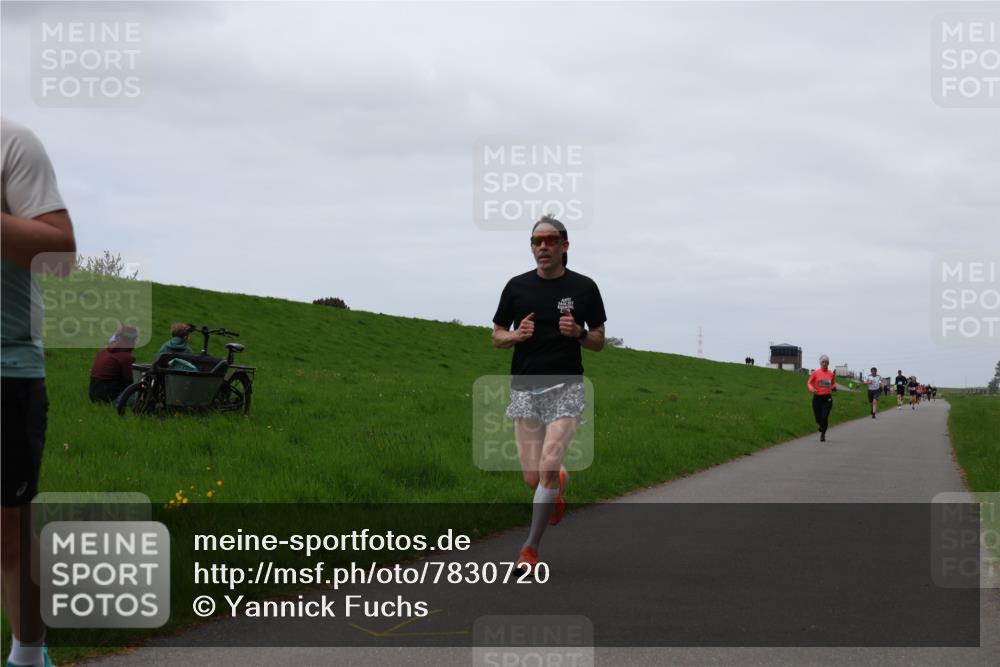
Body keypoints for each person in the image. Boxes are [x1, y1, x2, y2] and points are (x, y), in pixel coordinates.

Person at [492, 214, 606, 572]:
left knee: (548, 465)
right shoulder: (516, 287)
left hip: (566, 387)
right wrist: (516, 335)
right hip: (525, 387)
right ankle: (556, 484)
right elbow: (496, 335)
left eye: (551, 240)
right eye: (536, 241)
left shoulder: (584, 288)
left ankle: (530, 550)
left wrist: (579, 334)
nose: (543, 246)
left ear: (564, 246)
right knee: (533, 477)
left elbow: (599, 341)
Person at [2, 117, 75, 667]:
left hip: (6, 368)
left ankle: (28, 656)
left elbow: (60, 255)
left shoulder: (12, 142)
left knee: (8, 533)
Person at [88, 326, 139, 402]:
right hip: (111, 399)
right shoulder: (126, 357)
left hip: (93, 397)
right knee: (143, 397)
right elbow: (131, 382)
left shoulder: (103, 351)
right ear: (131, 341)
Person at [806, 355, 837, 441]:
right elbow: (809, 383)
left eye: (826, 362)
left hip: (827, 398)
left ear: (828, 363)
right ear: (820, 363)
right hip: (817, 398)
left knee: (824, 416)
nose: (824, 364)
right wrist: (812, 389)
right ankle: (821, 425)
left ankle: (823, 434)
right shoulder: (815, 373)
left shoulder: (831, 374)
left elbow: (833, 383)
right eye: (823, 362)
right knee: (817, 418)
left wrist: (834, 387)